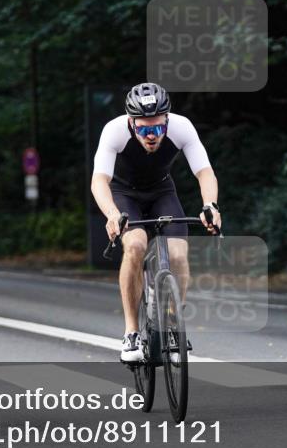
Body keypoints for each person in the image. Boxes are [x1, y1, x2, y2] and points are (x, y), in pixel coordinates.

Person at [91, 82, 221, 361]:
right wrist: (112, 214)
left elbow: (205, 172)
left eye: (158, 128)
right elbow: (99, 180)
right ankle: (131, 333)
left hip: (162, 191)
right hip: (124, 195)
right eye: (144, 130)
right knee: (135, 246)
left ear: (167, 120)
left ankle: (174, 327)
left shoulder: (182, 127)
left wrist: (210, 205)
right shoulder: (114, 131)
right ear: (131, 122)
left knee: (178, 254)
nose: (152, 136)